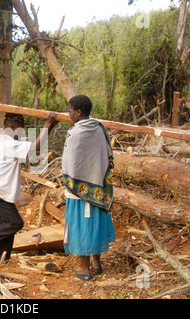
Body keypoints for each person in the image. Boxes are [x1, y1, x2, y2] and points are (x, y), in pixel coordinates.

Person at [0, 112, 58, 262]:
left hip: (0, 191)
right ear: (13, 128)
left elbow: (36, 144)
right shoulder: (8, 143)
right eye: (21, 130)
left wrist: (50, 126)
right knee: (15, 223)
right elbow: (35, 146)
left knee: (6, 225)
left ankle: (3, 258)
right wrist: (47, 124)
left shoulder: (12, 140)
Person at [61, 95, 115, 281]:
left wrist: (71, 181)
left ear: (77, 112)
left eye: (69, 111)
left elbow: (69, 164)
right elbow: (106, 154)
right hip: (98, 186)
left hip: (79, 192)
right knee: (95, 225)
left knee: (81, 227)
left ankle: (85, 270)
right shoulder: (100, 128)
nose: (68, 114)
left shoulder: (74, 134)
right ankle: (97, 263)